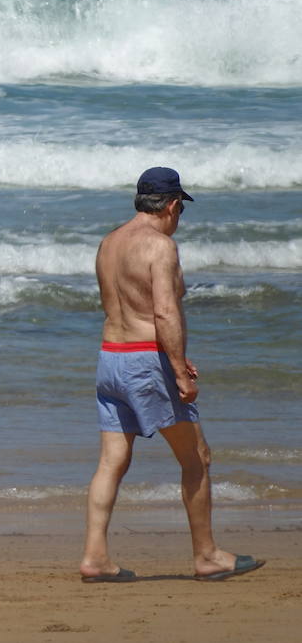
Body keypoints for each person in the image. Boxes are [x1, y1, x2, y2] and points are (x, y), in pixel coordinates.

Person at [80, 167, 265, 582]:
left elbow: (119, 305)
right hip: (147, 359)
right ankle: (207, 555)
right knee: (196, 457)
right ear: (172, 204)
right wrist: (180, 372)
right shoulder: (159, 246)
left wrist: (177, 358)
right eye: (181, 209)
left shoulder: (109, 243)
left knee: (111, 461)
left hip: (111, 357)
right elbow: (163, 310)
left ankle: (95, 557)